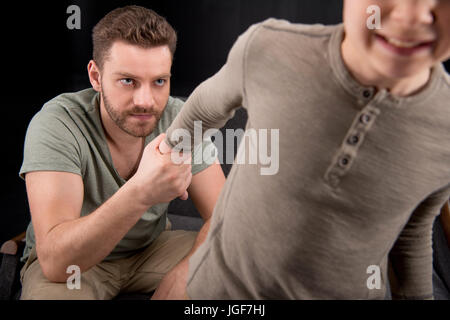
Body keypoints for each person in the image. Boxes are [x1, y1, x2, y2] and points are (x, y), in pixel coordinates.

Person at [158, 0, 450, 299]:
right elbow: (205, 107)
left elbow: (412, 231)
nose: (413, 16)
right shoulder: (269, 48)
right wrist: (170, 151)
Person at [18, 5, 225, 300]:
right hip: (75, 266)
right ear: (96, 76)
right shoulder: (57, 122)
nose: (146, 101)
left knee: (246, 266)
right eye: (128, 81)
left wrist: (187, 272)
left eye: (159, 82)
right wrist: (142, 191)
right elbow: (56, 262)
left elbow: (224, 219)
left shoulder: (181, 120)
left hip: (151, 250)